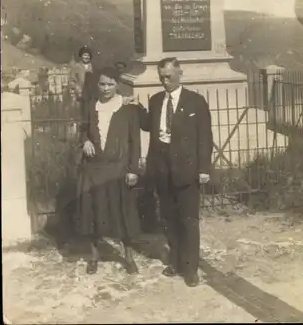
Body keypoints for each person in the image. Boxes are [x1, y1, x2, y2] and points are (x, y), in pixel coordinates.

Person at [136, 57, 213, 287]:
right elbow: (149, 125)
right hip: (162, 167)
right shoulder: (157, 100)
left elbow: (205, 137)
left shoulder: (195, 102)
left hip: (187, 169)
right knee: (168, 218)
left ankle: (190, 269)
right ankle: (176, 261)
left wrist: (204, 169)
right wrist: (136, 108)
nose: (165, 81)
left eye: (169, 76)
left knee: (188, 220)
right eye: (161, 77)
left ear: (180, 73)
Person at [76, 66, 142, 275]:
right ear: (97, 85)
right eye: (102, 84)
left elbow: (135, 141)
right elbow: (83, 129)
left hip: (117, 169)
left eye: (110, 84)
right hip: (94, 169)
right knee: (92, 212)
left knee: (122, 213)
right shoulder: (90, 106)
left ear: (117, 85)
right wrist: (85, 140)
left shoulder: (126, 108)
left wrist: (133, 170)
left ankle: (128, 257)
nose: (106, 88)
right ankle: (94, 256)